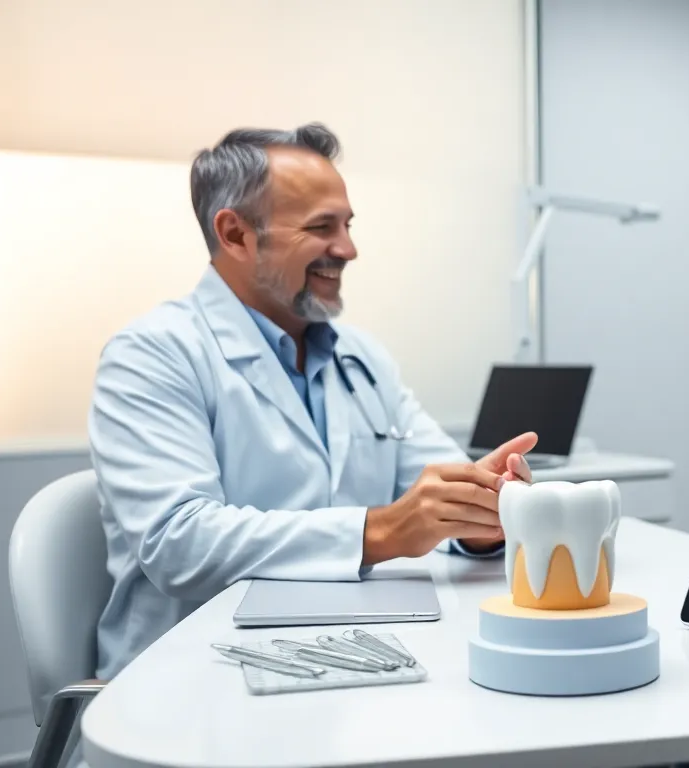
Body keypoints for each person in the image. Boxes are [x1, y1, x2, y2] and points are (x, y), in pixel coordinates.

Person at [87, 123, 532, 681]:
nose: (348, 249)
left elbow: (437, 484)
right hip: (195, 677)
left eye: (346, 225)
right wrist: (382, 531)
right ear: (235, 234)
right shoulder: (153, 354)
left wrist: (477, 515)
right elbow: (180, 543)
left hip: (356, 655)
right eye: (322, 228)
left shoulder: (361, 356)